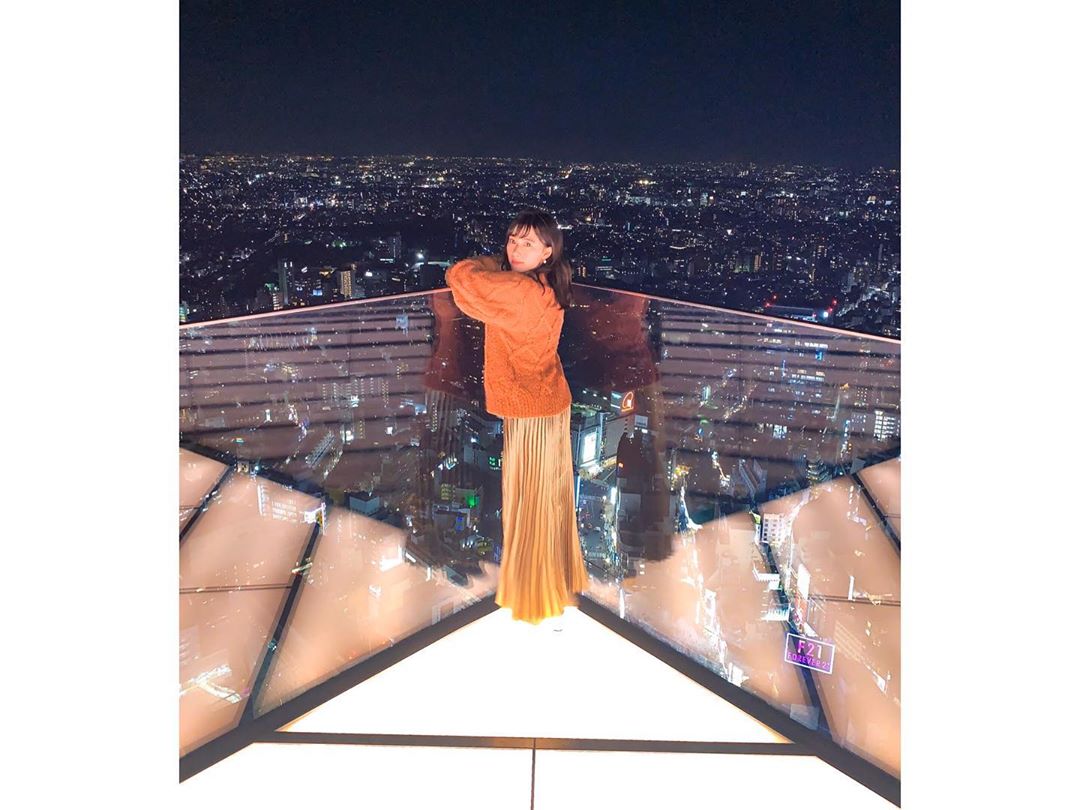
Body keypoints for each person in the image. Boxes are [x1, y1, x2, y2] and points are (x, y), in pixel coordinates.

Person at [445, 208, 588, 630]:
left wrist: (490, 263)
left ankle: (535, 595)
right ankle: (552, 582)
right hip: (549, 402)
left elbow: (460, 279)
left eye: (528, 243)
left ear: (548, 251)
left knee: (528, 502)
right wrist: (501, 266)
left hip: (531, 410)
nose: (515, 249)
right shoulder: (545, 284)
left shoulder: (519, 290)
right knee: (547, 499)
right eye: (512, 240)